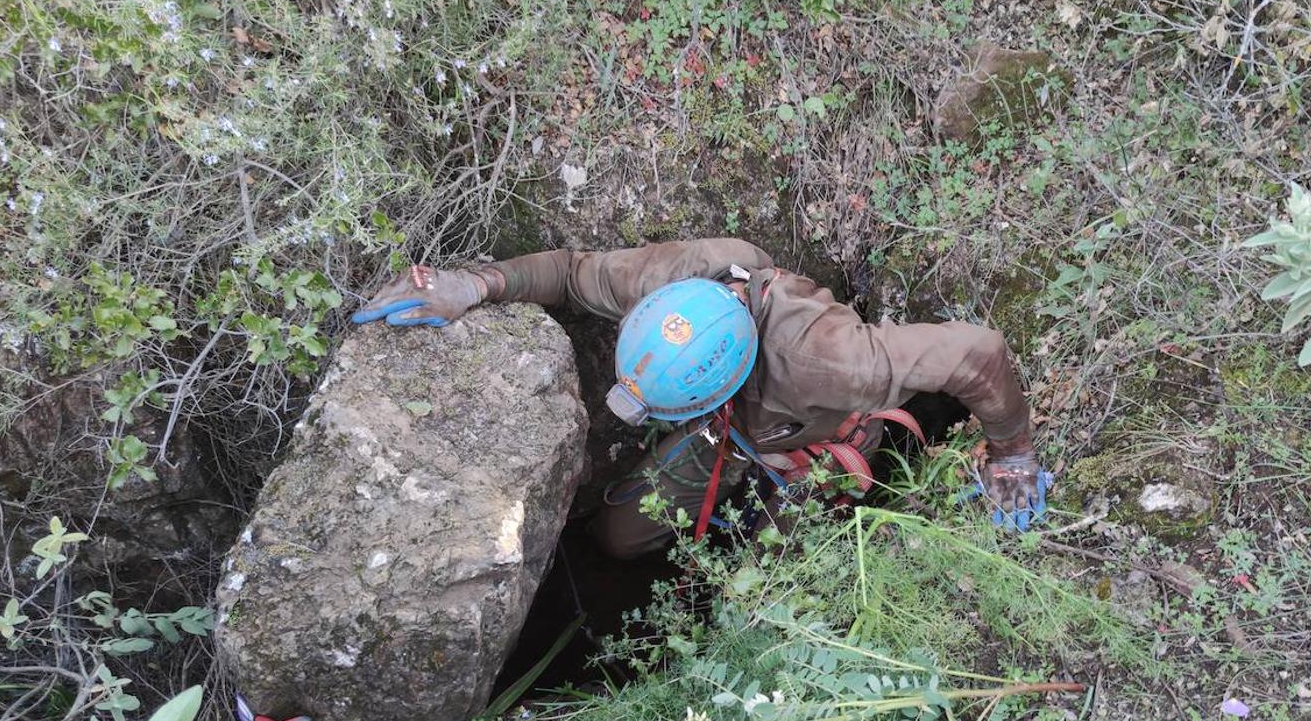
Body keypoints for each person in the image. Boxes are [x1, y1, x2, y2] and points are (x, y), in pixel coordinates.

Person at [350, 239, 1046, 558]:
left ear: (728, 381)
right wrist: (475, 284)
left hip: (815, 442)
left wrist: (1012, 454)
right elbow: (566, 271)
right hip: (731, 433)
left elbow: (976, 353)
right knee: (617, 540)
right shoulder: (674, 282)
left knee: (768, 584)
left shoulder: (835, 364)